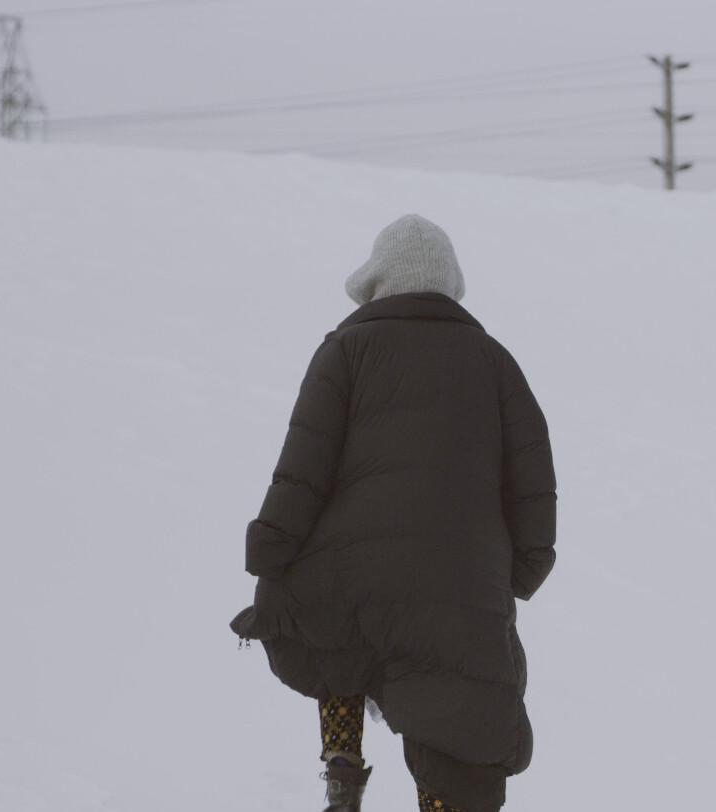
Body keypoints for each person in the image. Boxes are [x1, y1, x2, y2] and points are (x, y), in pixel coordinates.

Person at [230, 214, 557, 812]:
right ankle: (438, 803)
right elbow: (533, 482)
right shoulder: (495, 363)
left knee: (336, 637)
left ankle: (342, 762)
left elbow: (303, 468)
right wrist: (525, 569)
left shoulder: (345, 350)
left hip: (352, 575)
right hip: (457, 587)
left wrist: (270, 549)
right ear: (450, 285)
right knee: (452, 708)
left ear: (376, 283)